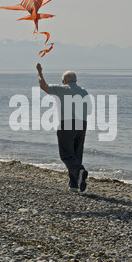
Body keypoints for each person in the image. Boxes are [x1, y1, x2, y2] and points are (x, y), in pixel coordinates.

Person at [36, 63, 91, 192]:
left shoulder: (62, 89)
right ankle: (73, 185)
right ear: (76, 80)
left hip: (67, 123)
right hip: (82, 124)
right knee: (76, 154)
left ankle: (79, 171)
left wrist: (39, 72)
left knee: (66, 154)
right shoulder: (84, 91)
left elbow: (43, 86)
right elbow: (89, 111)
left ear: (65, 81)